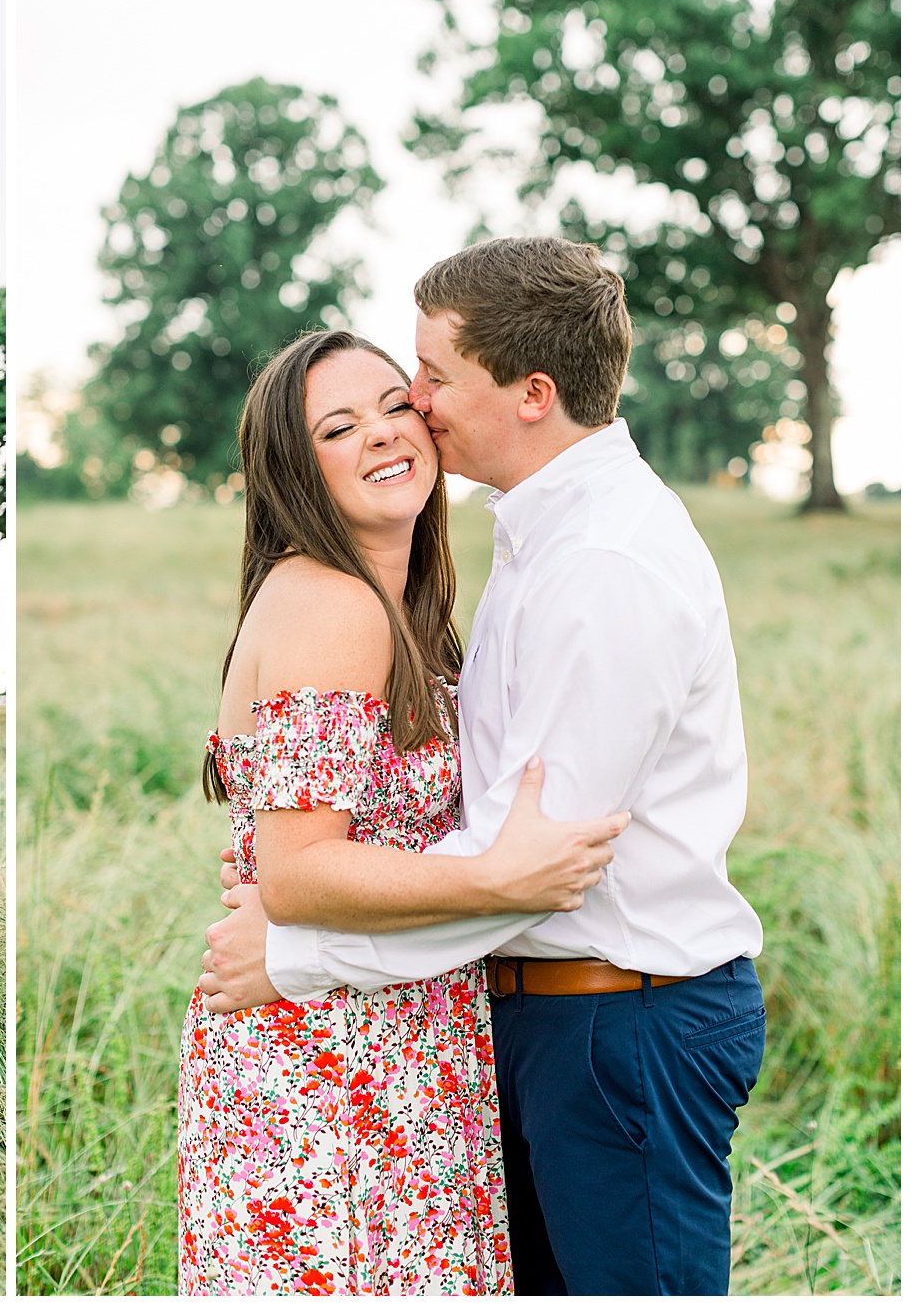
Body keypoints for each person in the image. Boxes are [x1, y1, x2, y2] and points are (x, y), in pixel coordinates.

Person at [198, 237, 766, 1296]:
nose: (413, 405)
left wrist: (298, 956)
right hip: (465, 1038)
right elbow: (495, 866)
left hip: (615, 1024)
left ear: (533, 393)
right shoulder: (513, 546)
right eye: (348, 418)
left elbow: (537, 865)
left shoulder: (597, 563)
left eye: (428, 378)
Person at [181, 327, 630, 1295]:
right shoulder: (331, 604)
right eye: (339, 427)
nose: (384, 434)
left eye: (395, 403)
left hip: (401, 1028)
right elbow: (298, 873)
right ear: (296, 469)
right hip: (334, 1057)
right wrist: (499, 879)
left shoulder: (403, 602)